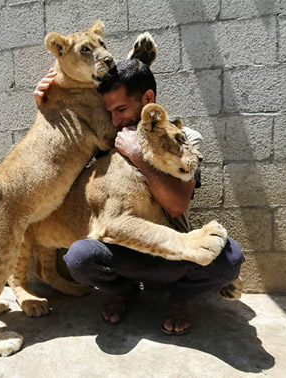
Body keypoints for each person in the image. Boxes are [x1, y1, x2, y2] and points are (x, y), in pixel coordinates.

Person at [34, 59, 245, 335]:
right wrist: (48, 108)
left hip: (171, 255)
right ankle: (124, 291)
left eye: (121, 109)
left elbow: (177, 204)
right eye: (110, 111)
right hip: (123, 253)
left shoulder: (185, 137)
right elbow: (56, 155)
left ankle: (181, 298)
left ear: (147, 99)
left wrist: (138, 155)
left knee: (230, 260)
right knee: (79, 258)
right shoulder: (110, 138)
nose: (116, 120)